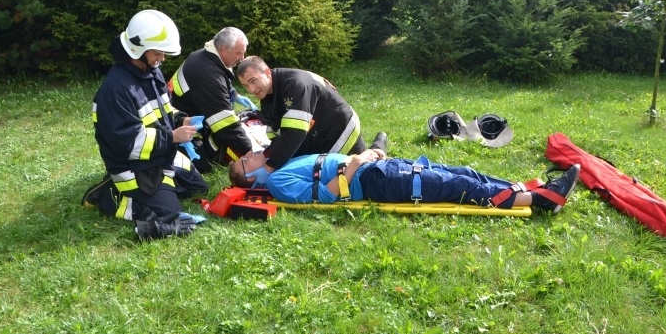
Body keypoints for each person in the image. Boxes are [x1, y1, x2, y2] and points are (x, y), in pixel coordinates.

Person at [83, 9, 209, 238]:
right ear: (138, 49)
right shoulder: (115, 90)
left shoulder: (151, 71)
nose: (162, 58)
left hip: (161, 156)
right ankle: (111, 194)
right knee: (169, 216)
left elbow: (165, 112)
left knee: (199, 187)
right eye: (159, 52)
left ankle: (159, 188)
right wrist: (172, 137)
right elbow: (128, 144)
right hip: (134, 167)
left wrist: (183, 120)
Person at [229, 148, 581, 214]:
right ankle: (544, 200)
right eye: (248, 159)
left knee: (464, 174)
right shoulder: (277, 185)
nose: (254, 152)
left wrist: (366, 157)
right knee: (460, 188)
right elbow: (324, 196)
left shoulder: (285, 164)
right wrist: (355, 163)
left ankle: (526, 189)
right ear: (251, 176)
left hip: (377, 169)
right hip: (380, 182)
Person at [236, 56, 384, 186]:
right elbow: (277, 134)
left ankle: (379, 146)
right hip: (315, 135)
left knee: (367, 172)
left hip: (340, 131)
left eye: (253, 81)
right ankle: (378, 146)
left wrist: (270, 166)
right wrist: (267, 155)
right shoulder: (267, 96)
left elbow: (294, 133)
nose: (251, 90)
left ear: (267, 72)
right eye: (245, 86)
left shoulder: (295, 84)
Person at [168, 27, 258, 171]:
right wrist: (253, 151)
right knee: (203, 163)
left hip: (193, 111)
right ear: (223, 49)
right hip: (181, 123)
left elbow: (223, 80)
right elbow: (225, 125)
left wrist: (234, 94)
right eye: (239, 53)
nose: (242, 58)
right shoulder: (207, 74)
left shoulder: (208, 56)